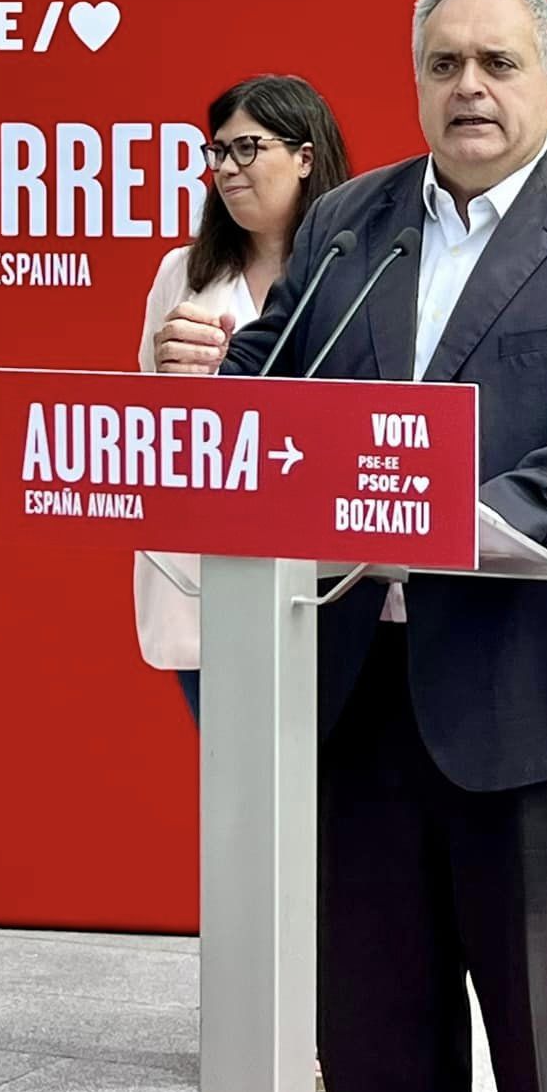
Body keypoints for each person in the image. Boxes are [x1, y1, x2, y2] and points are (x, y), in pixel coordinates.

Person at [159, 0, 547, 1092]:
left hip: (540, 705)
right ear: (414, 83)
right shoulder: (352, 222)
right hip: (359, 697)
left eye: (497, 63)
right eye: (443, 64)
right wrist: (212, 399)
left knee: (545, 1066)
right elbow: (276, 381)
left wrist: (455, 515)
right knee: (372, 1052)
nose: (469, 87)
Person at [136, 74, 352, 721]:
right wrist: (168, 377)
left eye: (247, 148)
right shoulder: (184, 272)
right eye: (218, 152)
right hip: (206, 580)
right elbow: (147, 429)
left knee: (335, 803)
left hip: (333, 584)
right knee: (239, 790)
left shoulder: (361, 266)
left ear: (306, 157)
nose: (227, 168)